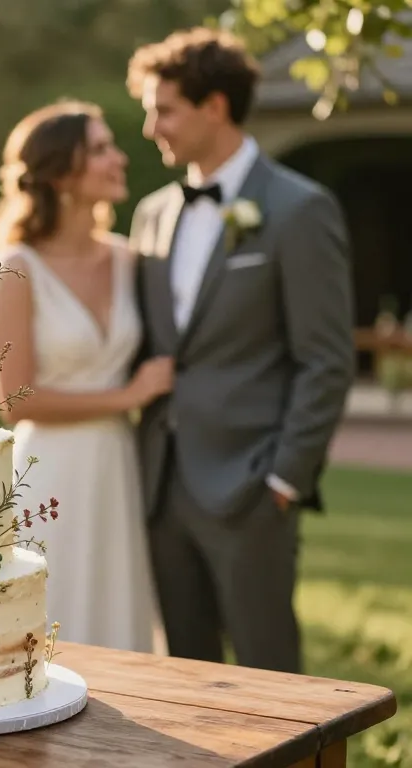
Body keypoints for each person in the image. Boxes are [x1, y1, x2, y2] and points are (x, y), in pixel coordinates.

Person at [126, 27, 356, 673]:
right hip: (160, 481)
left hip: (253, 485)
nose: (151, 128)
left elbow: (326, 357)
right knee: (186, 675)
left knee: (269, 671)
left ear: (215, 107)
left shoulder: (300, 209)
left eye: (163, 109)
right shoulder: (149, 215)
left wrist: (285, 477)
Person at [0, 101, 173, 652]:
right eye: (100, 148)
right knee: (52, 625)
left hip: (119, 469)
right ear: (61, 173)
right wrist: (130, 395)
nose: (119, 158)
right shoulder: (15, 267)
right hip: (51, 477)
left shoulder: (129, 259)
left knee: (120, 618)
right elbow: (14, 400)